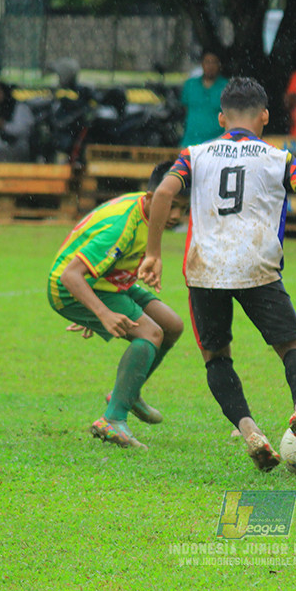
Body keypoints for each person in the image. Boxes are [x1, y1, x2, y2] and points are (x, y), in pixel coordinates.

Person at [139, 77, 296, 473]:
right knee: (293, 347)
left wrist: (153, 253)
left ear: (222, 118)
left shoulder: (194, 155)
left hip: (205, 270)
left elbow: (162, 194)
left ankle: (249, 431)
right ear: (264, 116)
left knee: (216, 356)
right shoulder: (280, 159)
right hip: (257, 266)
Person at [48, 161, 190, 450]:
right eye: (172, 206)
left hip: (108, 283)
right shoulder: (122, 226)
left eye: (184, 209)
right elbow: (70, 276)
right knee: (150, 333)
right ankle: (112, 419)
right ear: (151, 197)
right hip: (72, 287)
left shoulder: (146, 211)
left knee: (172, 325)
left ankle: (126, 393)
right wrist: (100, 312)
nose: (176, 216)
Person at [179, 50, 229, 146]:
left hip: (217, 144)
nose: (210, 66)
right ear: (202, 64)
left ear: (219, 65)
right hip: (190, 142)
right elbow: (184, 109)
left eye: (214, 62)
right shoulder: (190, 85)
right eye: (207, 62)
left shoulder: (227, 87)